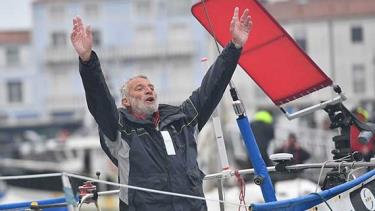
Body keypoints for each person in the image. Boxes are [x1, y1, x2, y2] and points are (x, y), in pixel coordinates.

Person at [71, 7, 252, 211]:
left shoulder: (182, 119)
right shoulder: (120, 128)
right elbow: (99, 100)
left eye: (151, 87)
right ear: (126, 102)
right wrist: (87, 61)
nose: (149, 90)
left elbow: (211, 87)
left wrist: (235, 46)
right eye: (140, 88)